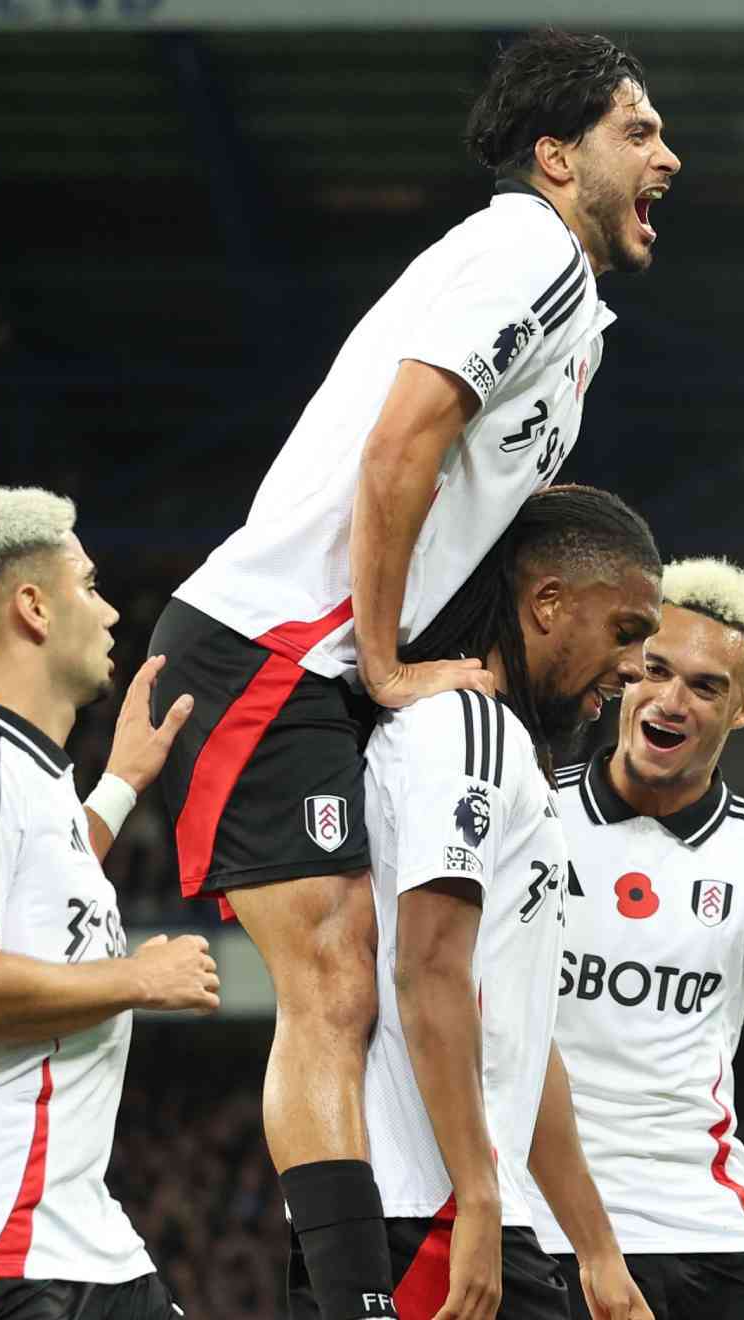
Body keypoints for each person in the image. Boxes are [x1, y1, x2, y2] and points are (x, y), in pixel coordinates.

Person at [147, 29, 680, 1320]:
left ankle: (356, 1288)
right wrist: (386, 667)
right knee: (336, 977)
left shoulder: (569, 309)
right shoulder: (527, 252)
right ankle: (353, 1302)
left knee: (366, 972)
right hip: (275, 644)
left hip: (305, 658)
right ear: (557, 157)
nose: (667, 154)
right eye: (638, 130)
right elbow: (399, 452)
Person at [287, 485, 662, 1320]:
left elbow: (520, 1043)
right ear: (548, 603)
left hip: (455, 1201)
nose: (636, 667)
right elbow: (426, 972)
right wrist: (480, 1200)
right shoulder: (463, 729)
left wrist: (598, 1252)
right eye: (626, 631)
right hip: (422, 1206)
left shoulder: (508, 756)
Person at [0, 486, 220, 1320]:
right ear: (33, 607)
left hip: (74, 1233)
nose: (109, 611)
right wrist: (138, 978)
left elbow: (43, 887)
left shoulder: (22, 776)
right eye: (89, 585)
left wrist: (122, 787)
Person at [524, 557, 744, 1320]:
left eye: (705, 686)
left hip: (700, 1225)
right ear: (626, 672)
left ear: (743, 710)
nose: (671, 700)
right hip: (539, 1227)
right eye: (656, 670)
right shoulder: (527, 816)